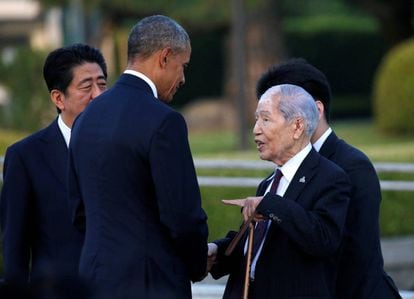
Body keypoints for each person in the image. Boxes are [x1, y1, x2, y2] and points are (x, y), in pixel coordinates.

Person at [67, 15, 209, 299]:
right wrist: (198, 264)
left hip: (94, 280)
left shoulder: (86, 117)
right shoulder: (164, 121)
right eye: (183, 66)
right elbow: (182, 216)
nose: (183, 78)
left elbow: (78, 210)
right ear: (165, 57)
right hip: (152, 283)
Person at [255, 58, 402, 299]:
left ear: (315, 110)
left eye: (269, 117)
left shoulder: (351, 166)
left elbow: (357, 258)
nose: (260, 127)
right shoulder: (281, 173)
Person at [208, 84, 351, 298]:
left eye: (265, 119)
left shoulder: (330, 178)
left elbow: (323, 239)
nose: (256, 128)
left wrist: (271, 204)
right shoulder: (269, 183)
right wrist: (216, 252)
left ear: (297, 127)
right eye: (257, 119)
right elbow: (256, 247)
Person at [0, 44, 107, 289]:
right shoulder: (25, 156)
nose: (98, 94)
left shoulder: (124, 146)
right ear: (58, 98)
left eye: (102, 84)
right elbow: (15, 245)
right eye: (86, 86)